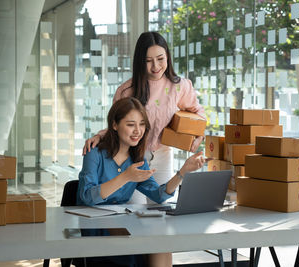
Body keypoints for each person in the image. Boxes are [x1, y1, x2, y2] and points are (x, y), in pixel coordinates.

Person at [77, 97, 207, 267]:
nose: (137, 131)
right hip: (92, 229)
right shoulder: (95, 153)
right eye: (130, 124)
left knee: (162, 245)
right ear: (115, 125)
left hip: (121, 225)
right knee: (138, 247)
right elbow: (87, 196)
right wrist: (125, 177)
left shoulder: (137, 159)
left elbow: (158, 195)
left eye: (142, 124)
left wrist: (182, 172)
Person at [83, 31, 205, 204]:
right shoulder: (126, 91)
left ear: (168, 57)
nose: (155, 66)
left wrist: (199, 135)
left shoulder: (180, 86)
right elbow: (117, 124)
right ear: (140, 61)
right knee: (133, 209)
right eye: (148, 61)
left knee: (162, 206)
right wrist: (99, 136)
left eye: (160, 59)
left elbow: (197, 113)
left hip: (163, 154)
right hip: (133, 154)